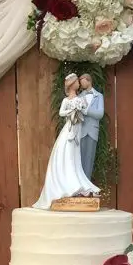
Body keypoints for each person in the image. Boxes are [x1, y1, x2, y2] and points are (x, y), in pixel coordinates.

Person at [33, 74, 100, 210]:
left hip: (77, 132)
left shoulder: (80, 99)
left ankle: (75, 182)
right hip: (69, 130)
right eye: (76, 82)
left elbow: (86, 113)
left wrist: (80, 110)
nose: (79, 84)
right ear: (71, 85)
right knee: (67, 155)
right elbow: (61, 113)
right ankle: (66, 183)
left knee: (75, 158)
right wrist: (72, 110)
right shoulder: (66, 100)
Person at [79, 73, 105, 182]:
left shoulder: (99, 96)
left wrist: (86, 111)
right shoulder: (79, 96)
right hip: (80, 131)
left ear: (89, 80)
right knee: (79, 160)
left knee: (89, 158)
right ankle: (80, 184)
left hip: (92, 131)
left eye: (82, 82)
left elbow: (100, 114)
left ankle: (87, 184)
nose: (81, 84)